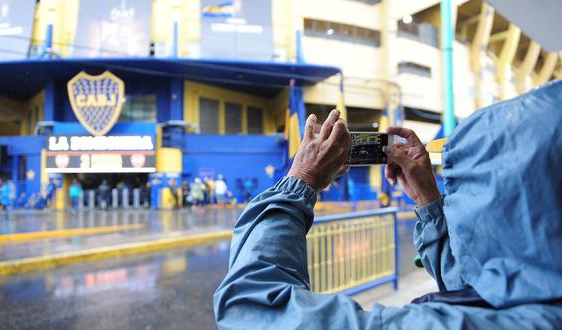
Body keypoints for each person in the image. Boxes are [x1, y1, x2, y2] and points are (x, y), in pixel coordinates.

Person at [214, 84, 562, 330]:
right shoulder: (539, 294)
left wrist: (300, 180)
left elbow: (252, 308)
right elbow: (479, 286)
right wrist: (429, 199)